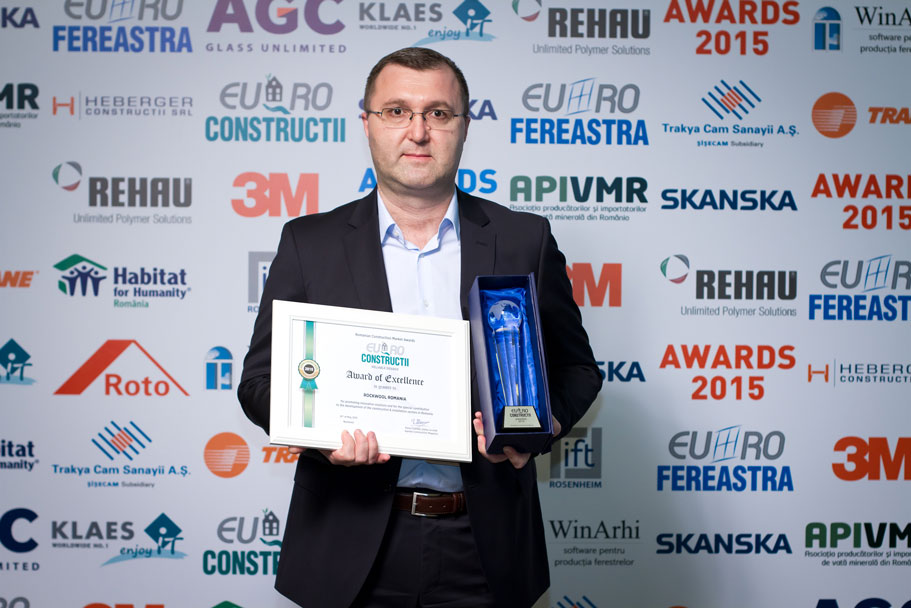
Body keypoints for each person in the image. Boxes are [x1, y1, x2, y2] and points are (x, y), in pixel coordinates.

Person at [238, 47, 602, 608]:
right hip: (347, 541)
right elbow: (258, 384)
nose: (418, 131)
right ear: (367, 124)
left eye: (438, 113)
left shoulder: (523, 239)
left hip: (486, 546)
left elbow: (578, 369)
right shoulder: (308, 243)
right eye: (396, 111)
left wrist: (541, 426)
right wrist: (321, 434)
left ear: (464, 126)